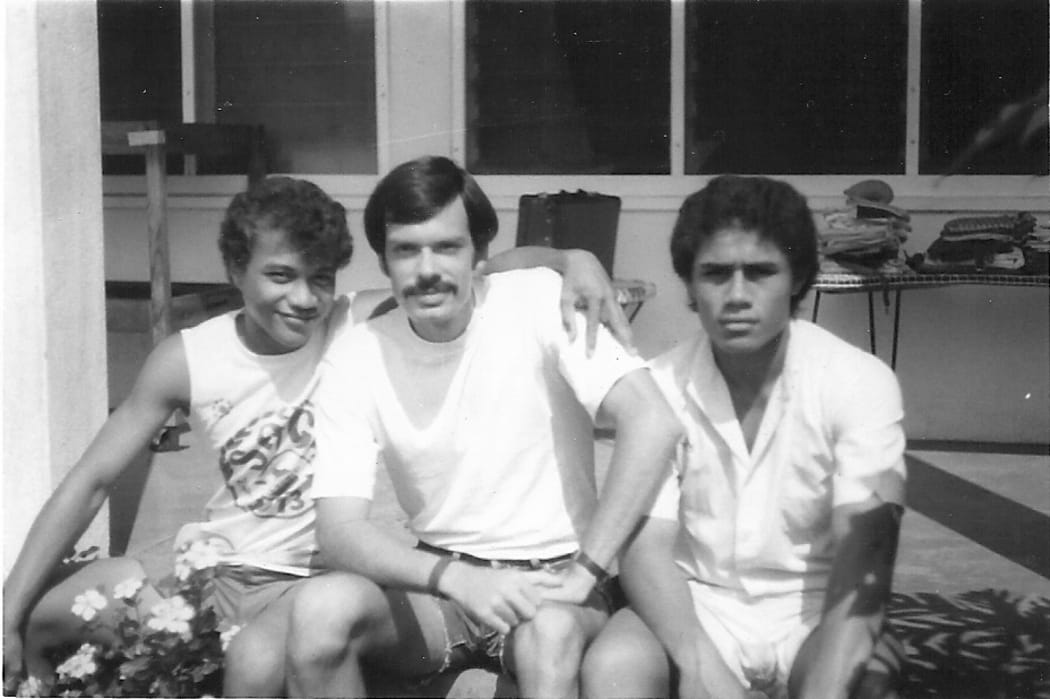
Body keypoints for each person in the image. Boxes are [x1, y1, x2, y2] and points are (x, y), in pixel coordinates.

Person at [2, 175, 631, 697]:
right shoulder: (188, 357)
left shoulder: (355, 323)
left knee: (252, 667)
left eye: (320, 278)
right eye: (280, 276)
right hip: (214, 570)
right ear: (235, 269)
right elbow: (90, 481)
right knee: (53, 613)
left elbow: (473, 269)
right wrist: (8, 609)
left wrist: (570, 259)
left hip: (306, 581)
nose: (302, 299)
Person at [284, 155, 683, 698]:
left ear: (479, 255)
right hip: (440, 587)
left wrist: (588, 568)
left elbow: (653, 421)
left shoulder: (537, 301)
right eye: (406, 250)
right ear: (384, 261)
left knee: (550, 632)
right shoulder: (357, 356)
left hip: (553, 581)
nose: (427, 270)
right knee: (319, 609)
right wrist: (457, 579)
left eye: (447, 247)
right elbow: (339, 533)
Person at [581, 174, 907, 699]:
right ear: (689, 284)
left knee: (867, 683)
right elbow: (645, 553)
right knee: (613, 669)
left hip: (817, 606)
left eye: (759, 273)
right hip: (695, 603)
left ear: (797, 278)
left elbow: (864, 561)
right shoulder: (659, 387)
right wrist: (700, 668)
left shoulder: (858, 381)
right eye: (714, 274)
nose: (736, 295)